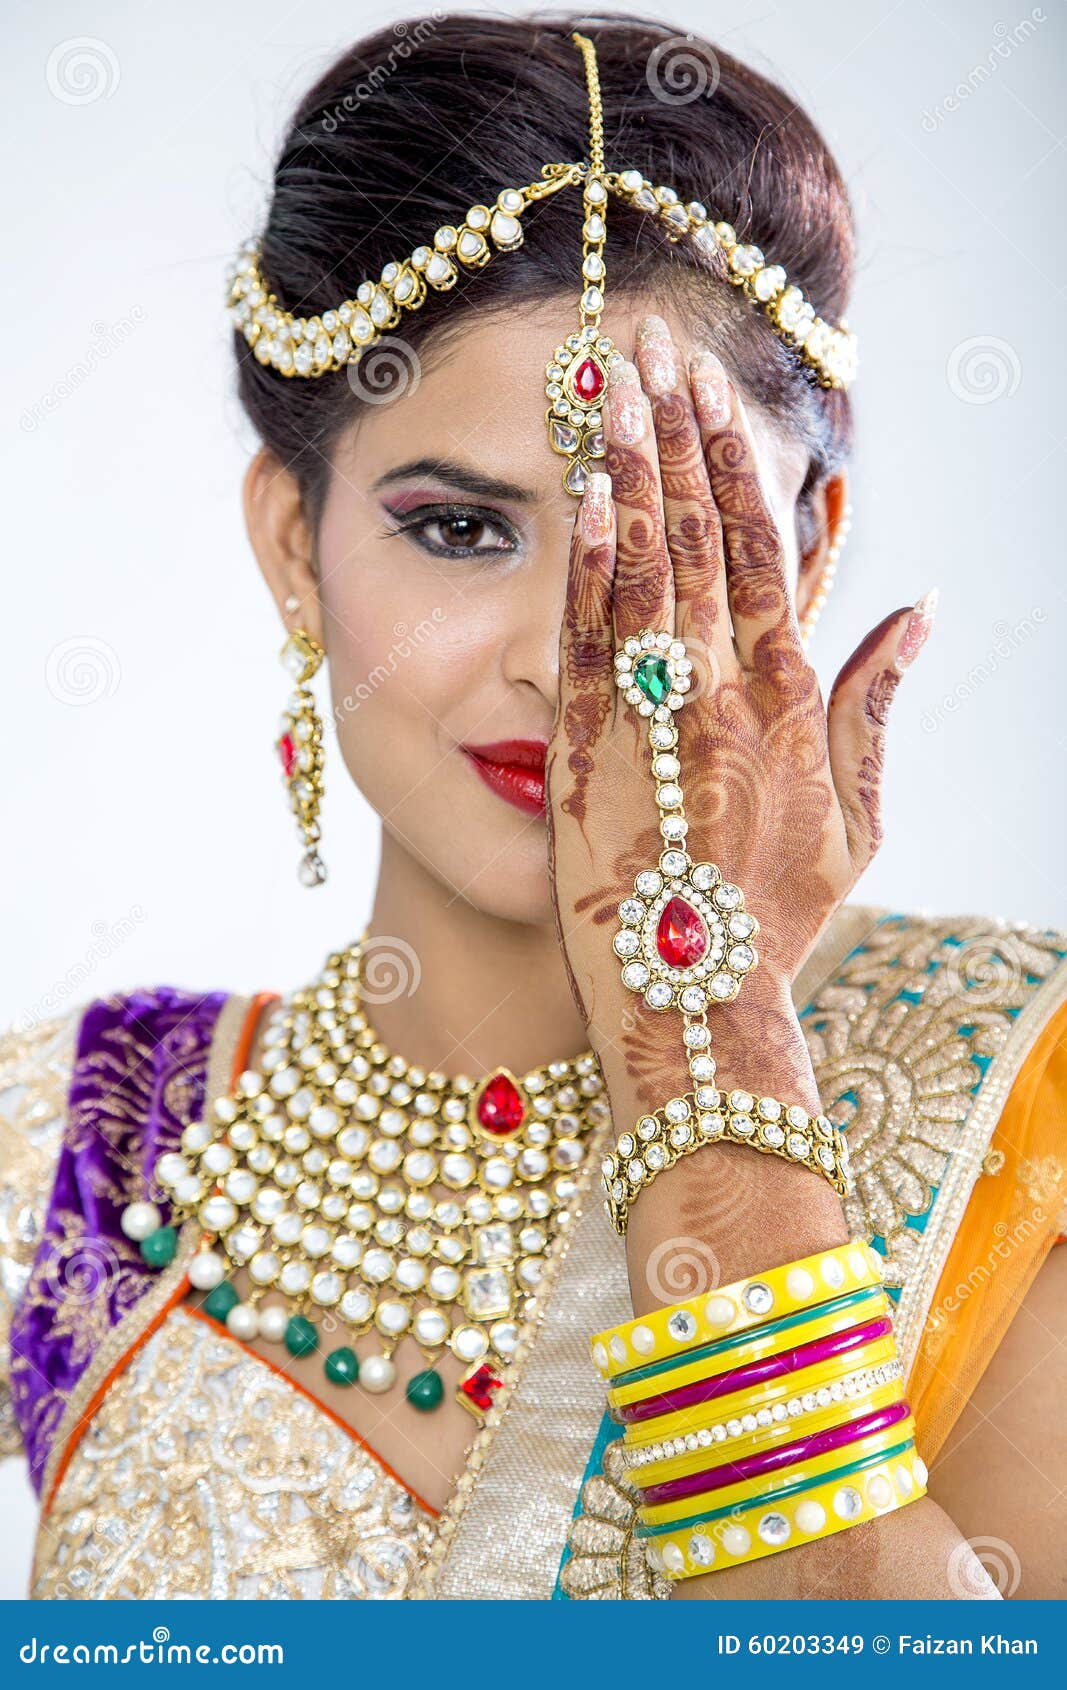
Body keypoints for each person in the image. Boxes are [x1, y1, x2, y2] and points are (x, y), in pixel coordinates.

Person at [2, 12, 1063, 1602]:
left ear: (813, 550)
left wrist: (703, 1044)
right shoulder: (83, 1154)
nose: (571, 659)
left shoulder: (1005, 1096)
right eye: (457, 530)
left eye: (664, 534)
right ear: (294, 544)